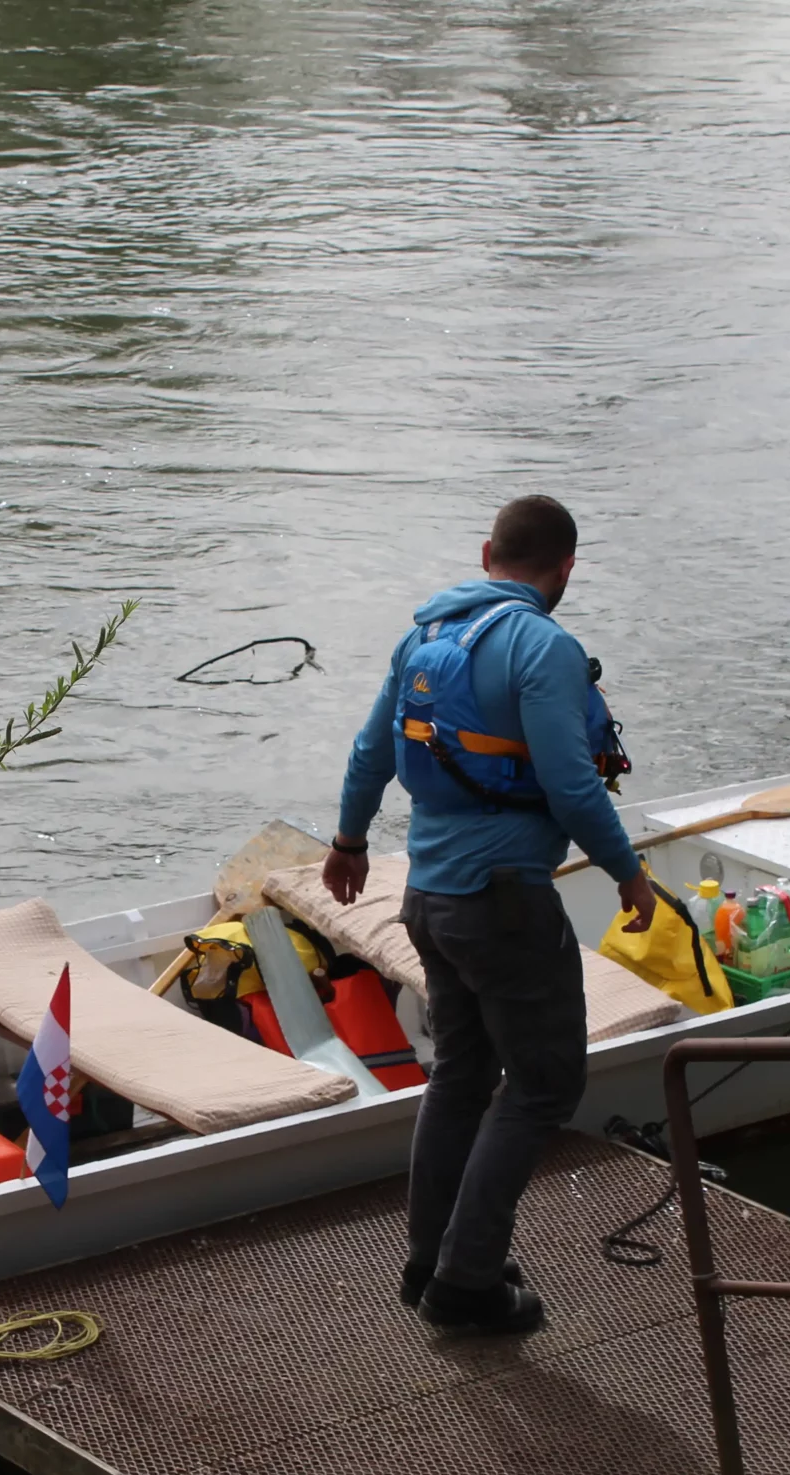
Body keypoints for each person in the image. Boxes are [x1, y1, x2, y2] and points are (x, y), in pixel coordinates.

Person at [322, 495, 652, 1334]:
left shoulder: (422, 639)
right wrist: (628, 874)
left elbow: (371, 753)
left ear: (486, 552)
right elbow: (574, 786)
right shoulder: (543, 645)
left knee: (463, 1076)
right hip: (504, 903)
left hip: (428, 899)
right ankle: (467, 1282)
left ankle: (430, 1257)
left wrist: (350, 840)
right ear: (565, 568)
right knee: (543, 1084)